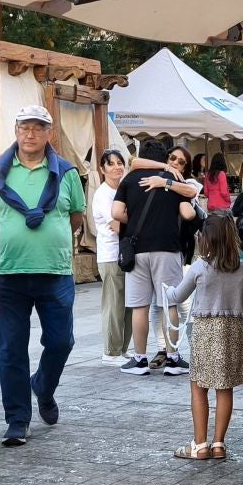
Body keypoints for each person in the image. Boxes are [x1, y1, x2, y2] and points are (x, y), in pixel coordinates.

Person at [0, 104, 87, 447]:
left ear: (49, 133)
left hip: (55, 272)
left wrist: (52, 240)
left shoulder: (66, 173)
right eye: (25, 127)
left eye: (38, 127)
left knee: (62, 341)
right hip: (8, 272)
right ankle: (18, 419)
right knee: (11, 349)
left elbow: (76, 216)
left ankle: (43, 387)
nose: (30, 134)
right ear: (16, 131)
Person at [168, 213, 243, 461]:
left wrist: (167, 291)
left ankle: (199, 445)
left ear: (207, 239)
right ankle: (219, 444)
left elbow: (177, 296)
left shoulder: (200, 267)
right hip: (232, 331)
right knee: (225, 388)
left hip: (206, 332)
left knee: (199, 387)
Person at [113, 137, 198, 377]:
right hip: (167, 248)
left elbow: (116, 212)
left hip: (137, 249)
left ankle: (139, 359)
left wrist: (140, 221)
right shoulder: (174, 179)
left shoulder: (128, 180)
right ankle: (172, 358)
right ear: (165, 159)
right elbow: (187, 212)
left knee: (139, 306)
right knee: (169, 302)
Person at [91, 149, 130, 364]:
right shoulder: (102, 194)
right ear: (102, 169)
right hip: (111, 255)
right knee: (114, 305)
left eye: (119, 163)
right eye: (111, 164)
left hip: (126, 255)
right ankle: (111, 352)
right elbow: (116, 224)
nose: (117, 167)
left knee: (129, 305)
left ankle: (123, 349)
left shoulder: (122, 190)